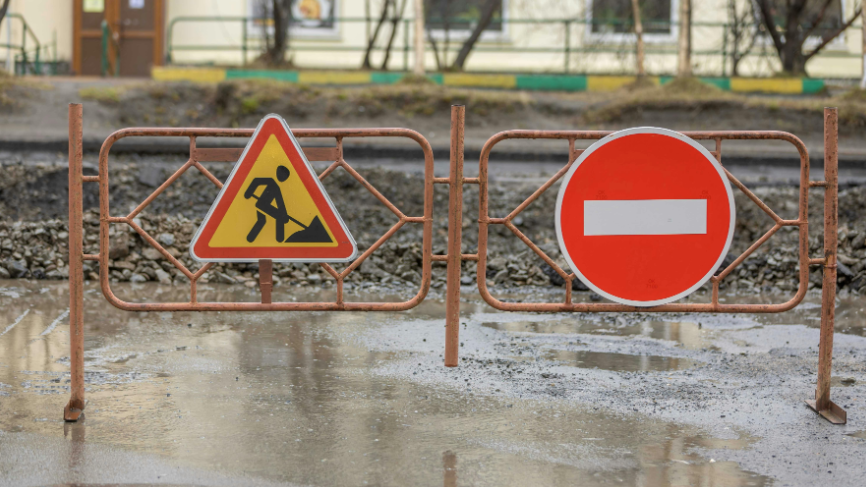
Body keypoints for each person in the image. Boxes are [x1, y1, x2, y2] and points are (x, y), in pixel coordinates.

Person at [244, 165, 292, 243]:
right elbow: (256, 181)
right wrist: (248, 193)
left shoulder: (277, 187)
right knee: (277, 217)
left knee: (262, 221)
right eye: (284, 176)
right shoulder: (271, 182)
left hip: (264, 206)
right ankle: (279, 239)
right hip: (262, 204)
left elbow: (280, 203)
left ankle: (250, 239)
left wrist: (284, 214)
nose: (284, 178)